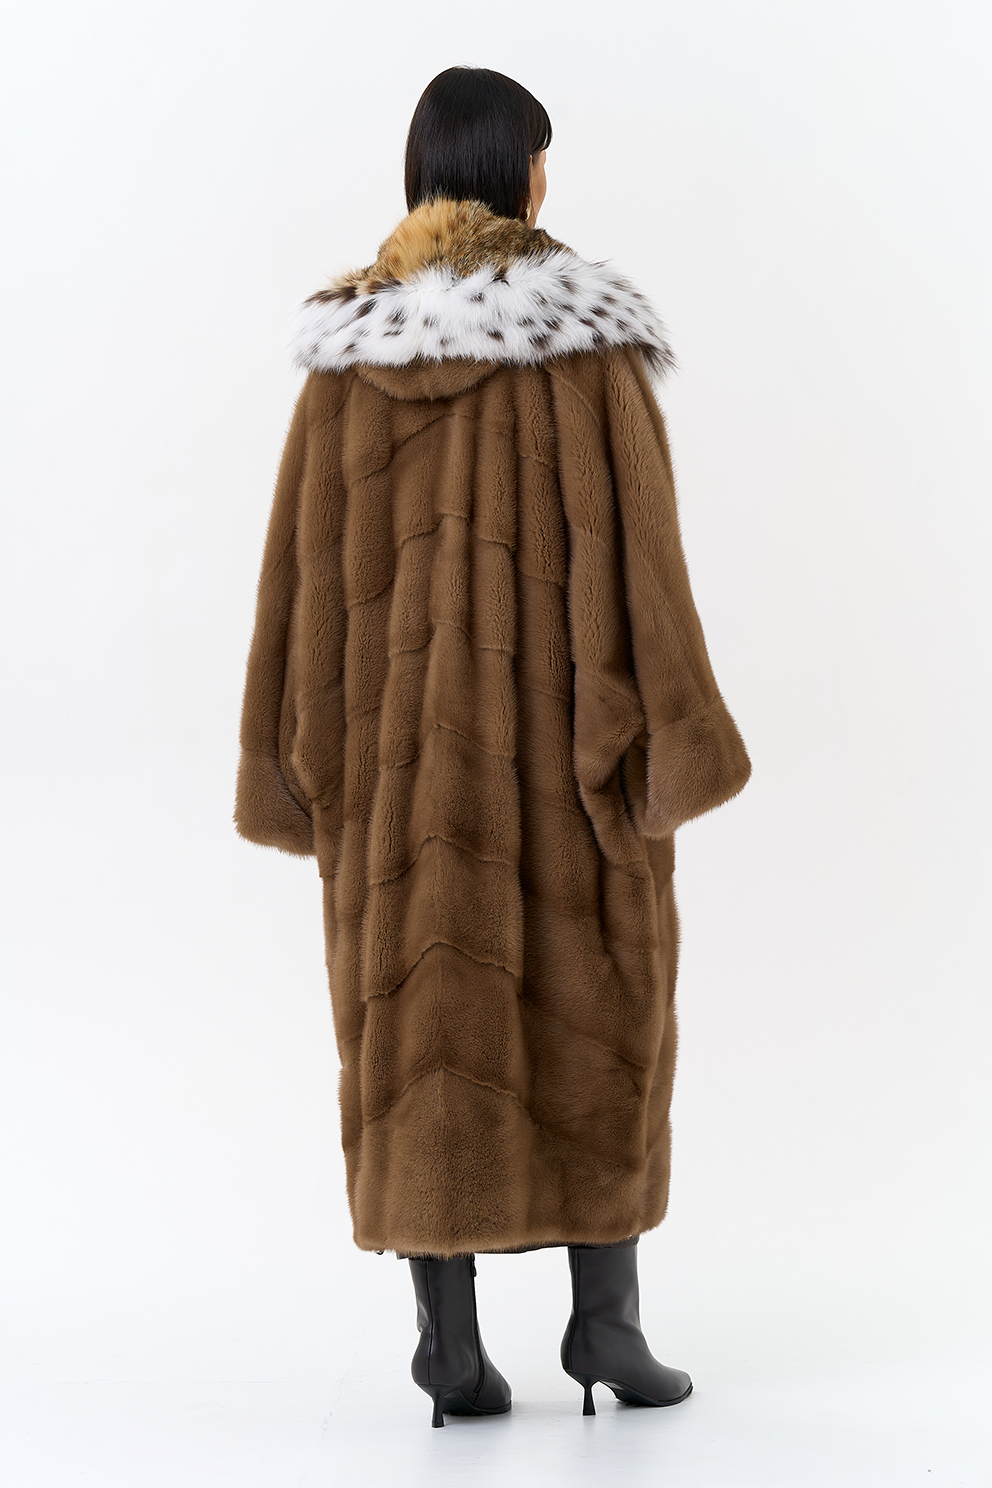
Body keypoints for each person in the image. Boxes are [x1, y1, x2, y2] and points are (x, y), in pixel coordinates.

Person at [234, 65, 752, 1428]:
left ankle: (448, 1348)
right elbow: (644, 571)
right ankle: (606, 1326)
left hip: (394, 792)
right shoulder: (581, 349)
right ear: (518, 172)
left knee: (421, 1037)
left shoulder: (344, 368)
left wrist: (296, 767)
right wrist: (673, 740)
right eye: (540, 156)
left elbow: (297, 587)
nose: (546, 177)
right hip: (559, 772)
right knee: (601, 1011)